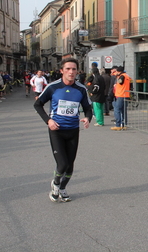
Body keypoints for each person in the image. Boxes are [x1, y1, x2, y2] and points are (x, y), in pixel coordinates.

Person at [33, 58, 92, 202]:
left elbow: (88, 108)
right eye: (68, 69)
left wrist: (87, 118)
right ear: (62, 71)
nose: (71, 72)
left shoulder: (81, 89)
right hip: (57, 130)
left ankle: (63, 188)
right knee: (63, 164)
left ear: (77, 71)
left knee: (70, 167)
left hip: (73, 131)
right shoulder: (53, 87)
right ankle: (56, 184)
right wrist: (49, 120)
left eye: (74, 69)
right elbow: (37, 105)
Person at [111, 66, 131, 131]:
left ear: (119, 71)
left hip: (121, 95)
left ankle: (118, 125)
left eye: (116, 71)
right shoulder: (127, 76)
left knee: (117, 109)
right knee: (123, 111)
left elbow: (120, 81)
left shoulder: (122, 76)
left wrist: (116, 83)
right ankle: (124, 124)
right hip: (126, 95)